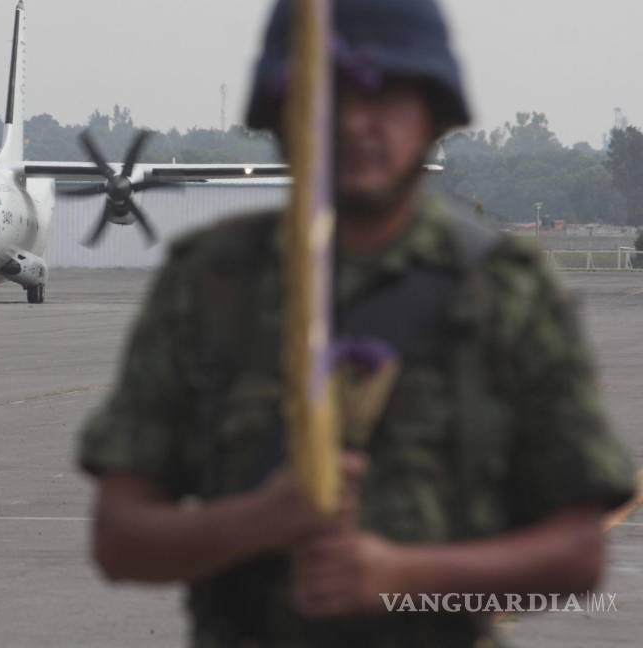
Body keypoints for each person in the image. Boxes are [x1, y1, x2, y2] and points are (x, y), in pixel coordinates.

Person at [77, 0, 637, 646]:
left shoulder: (508, 290)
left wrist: (400, 576)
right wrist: (260, 520)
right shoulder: (205, 284)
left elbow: (575, 556)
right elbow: (119, 539)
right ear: (279, 114)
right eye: (325, 95)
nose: (355, 123)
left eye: (389, 97)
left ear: (434, 113)